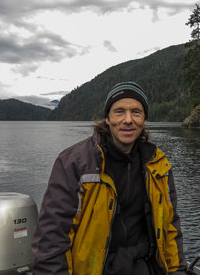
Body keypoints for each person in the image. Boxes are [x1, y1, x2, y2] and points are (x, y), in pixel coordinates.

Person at [32, 82, 187, 275]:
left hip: (146, 267)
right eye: (119, 112)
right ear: (107, 118)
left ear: (144, 119)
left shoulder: (158, 164)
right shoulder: (74, 163)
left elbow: (171, 227)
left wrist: (178, 271)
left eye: (136, 112)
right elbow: (52, 237)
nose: (128, 120)